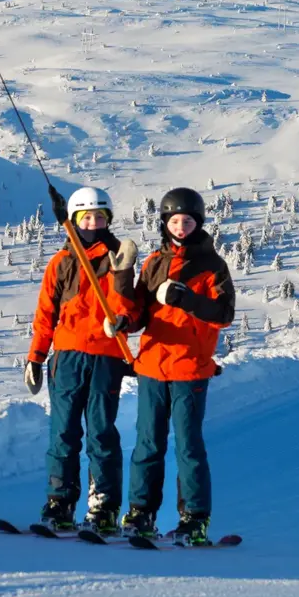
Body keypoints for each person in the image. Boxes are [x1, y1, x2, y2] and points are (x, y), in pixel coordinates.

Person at [122, 187, 234, 547]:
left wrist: (188, 300)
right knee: (147, 444)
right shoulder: (154, 261)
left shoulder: (212, 266)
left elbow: (223, 314)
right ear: (164, 223)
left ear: (198, 223)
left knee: (188, 446)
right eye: (174, 220)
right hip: (152, 365)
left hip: (190, 369)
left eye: (187, 220)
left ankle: (194, 519)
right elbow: (140, 313)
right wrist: (123, 319)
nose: (181, 226)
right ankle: (140, 513)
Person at [26, 186, 140, 535]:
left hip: (106, 356)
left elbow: (131, 308)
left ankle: (103, 506)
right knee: (63, 434)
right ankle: (59, 502)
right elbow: (46, 313)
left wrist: (121, 315)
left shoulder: (119, 257)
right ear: (74, 221)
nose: (93, 223)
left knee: (101, 433)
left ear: (108, 220)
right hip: (68, 357)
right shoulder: (61, 263)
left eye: (100, 217)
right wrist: (35, 356)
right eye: (86, 217)